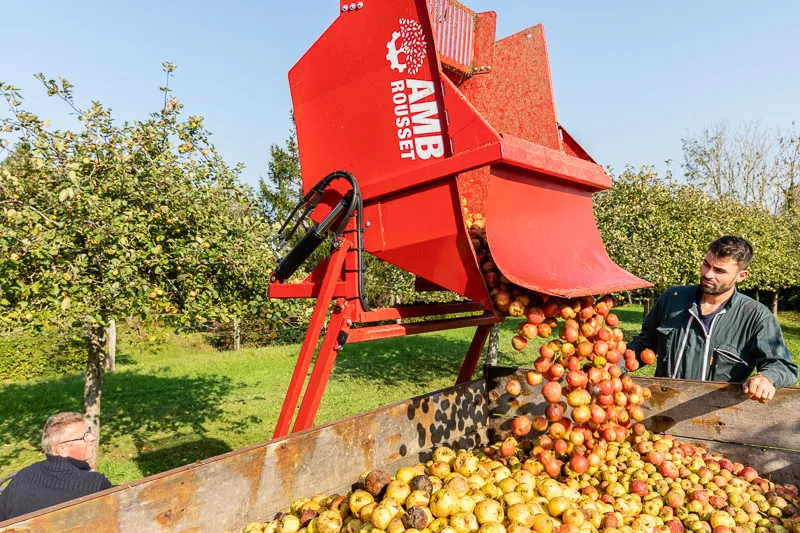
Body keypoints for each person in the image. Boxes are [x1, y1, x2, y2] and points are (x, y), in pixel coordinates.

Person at [627, 235, 798, 402]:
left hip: (716, 420)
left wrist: (767, 377)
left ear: (741, 275)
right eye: (706, 264)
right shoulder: (672, 299)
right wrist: (612, 364)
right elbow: (644, 344)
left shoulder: (756, 317)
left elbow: (782, 365)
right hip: (663, 411)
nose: (708, 274)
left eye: (720, 270)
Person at [0, 412, 112, 521]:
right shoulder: (95, 484)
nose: (92, 438)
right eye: (84, 437)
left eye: (89, 432)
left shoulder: (21, 477)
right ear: (63, 449)